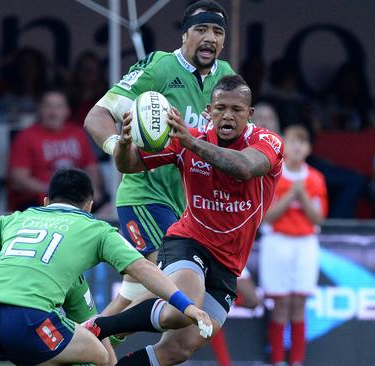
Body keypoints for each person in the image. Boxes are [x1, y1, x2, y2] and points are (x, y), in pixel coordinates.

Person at [0, 168, 213, 366]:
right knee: (101, 359)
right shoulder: (96, 229)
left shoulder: (16, 219)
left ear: (45, 202)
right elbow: (144, 269)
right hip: (29, 321)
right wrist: (187, 305)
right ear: (90, 205)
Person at [83, 75, 284, 365]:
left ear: (249, 114)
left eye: (237, 110)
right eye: (220, 108)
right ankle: (101, 326)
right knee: (179, 311)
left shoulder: (266, 141)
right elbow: (130, 165)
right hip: (189, 241)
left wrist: (190, 142)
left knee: (179, 349)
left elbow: (244, 167)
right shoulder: (186, 139)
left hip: (229, 263)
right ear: (209, 109)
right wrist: (125, 144)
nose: (227, 115)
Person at [83, 0, 234, 319]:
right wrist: (120, 149)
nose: (210, 37)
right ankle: (92, 342)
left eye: (217, 31)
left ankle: (93, 345)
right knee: (170, 282)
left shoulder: (226, 79)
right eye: (201, 29)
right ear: (184, 35)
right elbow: (96, 116)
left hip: (186, 207)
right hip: (146, 197)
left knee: (137, 293)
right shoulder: (159, 67)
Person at [0, 252, 117, 365]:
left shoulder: (65, 264)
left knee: (96, 353)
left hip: (22, 332)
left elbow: (92, 324)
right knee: (97, 353)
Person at [259, 125, 327, 366]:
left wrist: (302, 195)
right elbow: (267, 216)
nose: (297, 146)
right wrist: (291, 195)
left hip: (305, 244)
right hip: (277, 242)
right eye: (292, 141)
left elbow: (318, 218)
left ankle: (296, 361)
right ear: (283, 145)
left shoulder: (316, 178)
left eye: (302, 142)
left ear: (309, 148)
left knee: (299, 304)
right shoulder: (273, 175)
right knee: (281, 304)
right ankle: (278, 361)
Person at [8, 89, 103, 211]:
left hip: (77, 199)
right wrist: (55, 191)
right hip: (40, 202)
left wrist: (93, 189)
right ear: (40, 110)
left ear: (67, 111)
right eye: (48, 106)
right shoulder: (26, 136)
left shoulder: (78, 133)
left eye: (59, 106)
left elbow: (91, 167)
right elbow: (19, 180)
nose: (53, 112)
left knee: (109, 209)